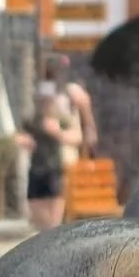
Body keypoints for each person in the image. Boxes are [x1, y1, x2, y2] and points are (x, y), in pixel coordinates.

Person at [16, 79, 83, 231]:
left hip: (53, 169)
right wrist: (22, 140)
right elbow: (17, 136)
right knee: (35, 217)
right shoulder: (32, 121)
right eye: (42, 100)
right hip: (36, 169)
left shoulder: (60, 120)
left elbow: (77, 138)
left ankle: (51, 236)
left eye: (48, 100)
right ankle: (43, 234)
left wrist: (57, 133)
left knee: (54, 219)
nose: (45, 104)